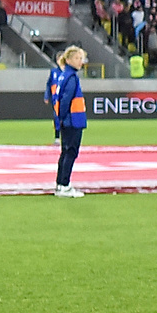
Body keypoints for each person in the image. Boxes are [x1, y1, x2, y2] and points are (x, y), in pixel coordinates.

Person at [52, 45, 89, 199]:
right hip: (73, 120)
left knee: (65, 152)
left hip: (67, 120)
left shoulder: (63, 75)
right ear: (68, 60)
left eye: (81, 58)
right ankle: (65, 185)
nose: (80, 61)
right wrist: (64, 117)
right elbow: (66, 99)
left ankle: (61, 184)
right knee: (71, 152)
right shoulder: (71, 77)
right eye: (77, 58)